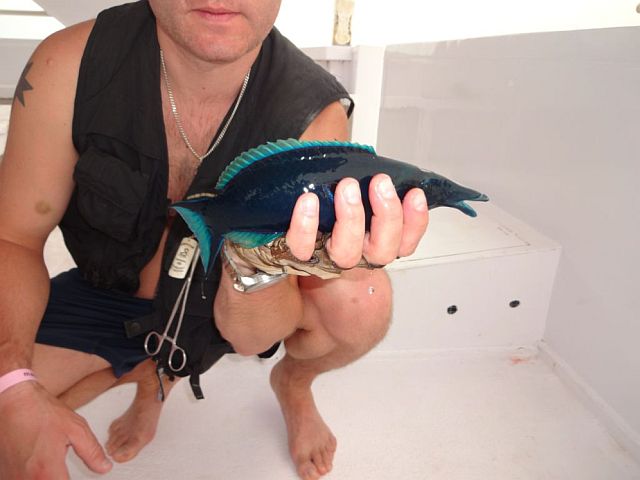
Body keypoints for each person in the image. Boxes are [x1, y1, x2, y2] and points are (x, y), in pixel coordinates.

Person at [0, 1, 429, 479]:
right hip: (105, 296)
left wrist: (254, 265)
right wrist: (12, 384)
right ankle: (153, 374)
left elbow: (252, 338)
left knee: (363, 297)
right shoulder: (68, 65)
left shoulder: (314, 120)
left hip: (218, 310)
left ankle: (293, 383)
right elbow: (12, 239)